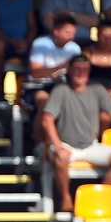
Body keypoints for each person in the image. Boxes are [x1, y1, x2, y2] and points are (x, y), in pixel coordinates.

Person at [41, 55, 111, 213]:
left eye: (84, 70)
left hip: (91, 145)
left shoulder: (97, 88)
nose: (80, 73)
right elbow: (46, 120)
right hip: (66, 144)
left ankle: (98, 196)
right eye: (77, 69)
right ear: (69, 70)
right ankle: (66, 198)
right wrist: (58, 146)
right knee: (59, 158)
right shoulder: (61, 90)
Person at [25, 14, 82, 145]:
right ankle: (39, 144)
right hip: (37, 87)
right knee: (45, 102)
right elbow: (36, 72)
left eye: (73, 33)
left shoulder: (75, 48)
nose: (71, 37)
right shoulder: (41, 44)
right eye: (68, 33)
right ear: (56, 31)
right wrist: (62, 67)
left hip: (63, 87)